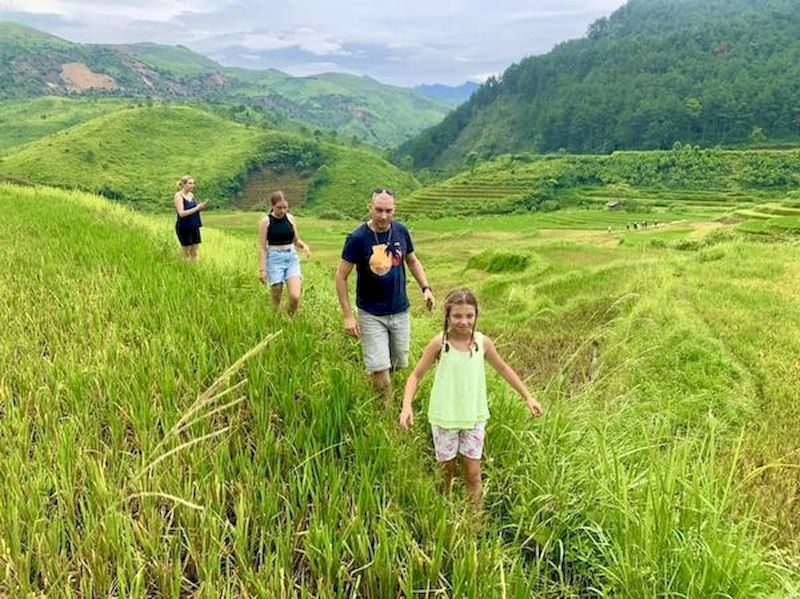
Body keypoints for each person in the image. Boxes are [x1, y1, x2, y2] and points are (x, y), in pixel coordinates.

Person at [399, 288, 543, 505]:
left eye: (469, 316)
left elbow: (503, 368)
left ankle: (476, 524)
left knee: (473, 474)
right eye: (457, 316)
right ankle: (446, 510)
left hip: (474, 417)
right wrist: (406, 406)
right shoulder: (440, 343)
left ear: (476, 315)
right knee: (446, 472)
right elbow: (416, 375)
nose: (463, 322)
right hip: (445, 417)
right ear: (447, 315)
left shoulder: (483, 343)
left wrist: (528, 397)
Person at [335, 188, 435, 404]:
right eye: (379, 210)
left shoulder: (401, 231)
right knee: (381, 369)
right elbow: (341, 276)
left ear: (394, 209)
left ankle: (377, 378)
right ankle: (387, 413)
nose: (383, 216)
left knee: (397, 363)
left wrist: (425, 288)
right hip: (371, 313)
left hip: (399, 310)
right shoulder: (357, 238)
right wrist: (348, 316)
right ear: (369, 207)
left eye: (388, 210)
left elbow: (412, 260)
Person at [258, 191, 310, 315]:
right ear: (272, 206)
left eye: (285, 207)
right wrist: (262, 269)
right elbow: (262, 247)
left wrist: (303, 246)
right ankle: (275, 316)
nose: (282, 210)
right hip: (274, 257)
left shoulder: (290, 218)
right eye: (279, 208)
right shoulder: (266, 222)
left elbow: (296, 239)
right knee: (276, 291)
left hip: (291, 257)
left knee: (295, 296)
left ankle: (289, 317)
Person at [173, 175, 208, 261]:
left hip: (194, 225)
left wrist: (200, 207)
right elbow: (181, 213)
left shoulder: (191, 195)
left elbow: (193, 209)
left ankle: (195, 270)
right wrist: (197, 208)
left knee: (195, 251)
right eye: (190, 183)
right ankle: (184, 270)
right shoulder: (178, 195)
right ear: (183, 184)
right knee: (186, 252)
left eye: (193, 183)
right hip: (184, 226)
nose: (192, 185)